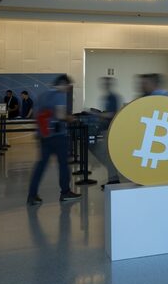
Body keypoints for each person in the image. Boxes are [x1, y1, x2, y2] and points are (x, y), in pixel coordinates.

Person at [27, 75, 81, 205]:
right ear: (63, 84)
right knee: (63, 164)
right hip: (58, 136)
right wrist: (72, 119)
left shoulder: (42, 95)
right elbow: (61, 115)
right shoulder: (60, 95)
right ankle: (65, 192)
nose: (68, 90)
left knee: (40, 166)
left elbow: (35, 114)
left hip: (44, 136)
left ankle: (32, 195)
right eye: (68, 87)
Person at [89, 77, 122, 189]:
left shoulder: (112, 97)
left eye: (106, 83)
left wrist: (97, 115)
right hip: (105, 128)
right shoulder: (107, 97)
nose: (104, 85)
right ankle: (113, 179)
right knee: (105, 154)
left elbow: (112, 114)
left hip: (109, 129)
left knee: (102, 153)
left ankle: (114, 178)